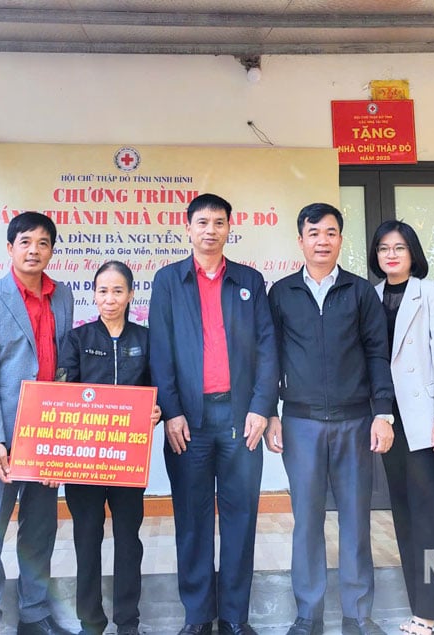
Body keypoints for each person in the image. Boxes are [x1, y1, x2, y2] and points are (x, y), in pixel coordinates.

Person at [148, 193, 279, 635]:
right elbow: (160, 352)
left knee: (241, 517)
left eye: (218, 222)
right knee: (192, 519)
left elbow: (267, 347)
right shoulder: (168, 281)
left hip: (240, 419)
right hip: (190, 422)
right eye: (201, 222)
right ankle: (198, 616)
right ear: (188, 228)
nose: (210, 229)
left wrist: (262, 407)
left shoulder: (249, 280)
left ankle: (236, 617)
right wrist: (172, 412)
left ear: (229, 228)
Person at [265, 203, 395, 635]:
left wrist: (383, 414)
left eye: (331, 233)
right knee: (307, 521)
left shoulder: (361, 292)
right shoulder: (281, 293)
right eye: (314, 233)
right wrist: (270, 412)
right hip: (300, 423)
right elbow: (271, 357)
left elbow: (378, 354)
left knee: (356, 519)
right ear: (300, 240)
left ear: (342, 239)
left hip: (356, 422)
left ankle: (358, 614)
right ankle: (308, 614)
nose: (323, 240)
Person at [0, 212, 74, 635]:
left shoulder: (62, 296)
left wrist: (64, 431)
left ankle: (35, 612)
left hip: (46, 434)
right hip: (1, 437)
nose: (34, 250)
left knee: (39, 529)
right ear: (10, 248)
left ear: (51, 250)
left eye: (43, 243)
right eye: (25, 242)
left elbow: (63, 366)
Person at [370, 220, 434, 635]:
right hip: (389, 419)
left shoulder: (432, 292)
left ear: (413, 252)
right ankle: (426, 604)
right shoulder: (370, 296)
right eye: (383, 248)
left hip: (426, 418)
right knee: (405, 515)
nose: (391, 255)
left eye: (400, 247)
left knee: (430, 516)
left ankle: (428, 612)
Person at [57, 261, 162, 635]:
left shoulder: (146, 339)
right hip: (84, 461)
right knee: (87, 539)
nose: (110, 298)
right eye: (103, 291)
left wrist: (158, 411)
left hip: (127, 460)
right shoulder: (78, 339)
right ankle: (91, 620)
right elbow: (63, 397)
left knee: (128, 541)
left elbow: (158, 389)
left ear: (131, 294)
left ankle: (127, 620)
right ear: (93, 294)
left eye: (118, 291)